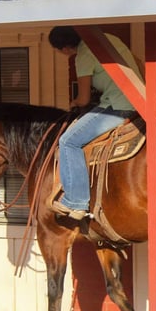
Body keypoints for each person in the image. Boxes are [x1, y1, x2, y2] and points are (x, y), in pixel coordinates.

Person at [48, 26, 143, 220]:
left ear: (65, 48)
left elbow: (83, 99)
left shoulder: (82, 56)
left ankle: (76, 201)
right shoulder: (109, 37)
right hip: (139, 101)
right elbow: (139, 64)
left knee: (68, 142)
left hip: (118, 106)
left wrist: (74, 103)